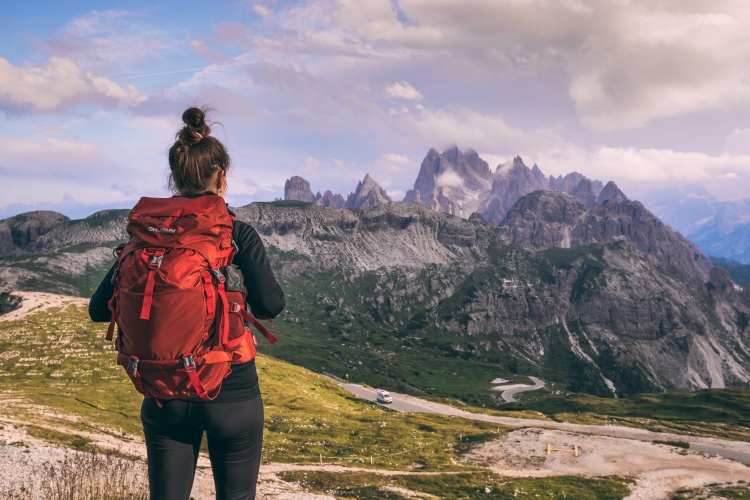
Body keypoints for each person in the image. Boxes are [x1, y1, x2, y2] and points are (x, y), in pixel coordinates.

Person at [89, 106, 285, 500]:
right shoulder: (236, 231)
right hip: (229, 387)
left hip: (162, 388)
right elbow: (269, 306)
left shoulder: (145, 235)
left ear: (174, 178)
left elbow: (98, 311)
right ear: (222, 178)